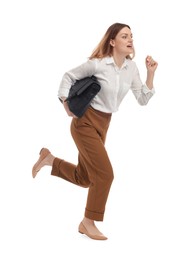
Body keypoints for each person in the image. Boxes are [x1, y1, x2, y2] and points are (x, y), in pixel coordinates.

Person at [32, 22, 158, 240]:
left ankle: (50, 159)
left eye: (131, 36)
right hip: (85, 123)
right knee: (105, 175)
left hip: (104, 125)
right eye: (124, 36)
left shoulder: (132, 69)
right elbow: (68, 76)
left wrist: (150, 74)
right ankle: (87, 222)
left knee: (85, 178)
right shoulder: (99, 64)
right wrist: (65, 102)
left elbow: (143, 99)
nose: (130, 40)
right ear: (112, 41)